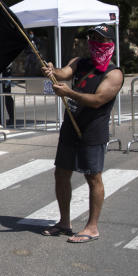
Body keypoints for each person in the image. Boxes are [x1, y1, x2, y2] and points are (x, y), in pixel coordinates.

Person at [40, 23, 124, 243]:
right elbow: (64, 73)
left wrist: (69, 93)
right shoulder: (79, 62)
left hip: (92, 130)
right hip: (71, 125)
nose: (96, 44)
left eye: (101, 40)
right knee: (61, 173)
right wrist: (52, 71)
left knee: (93, 177)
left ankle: (92, 227)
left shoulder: (113, 73)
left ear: (110, 43)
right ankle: (64, 222)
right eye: (92, 38)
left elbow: (97, 100)